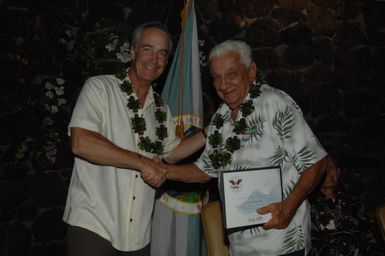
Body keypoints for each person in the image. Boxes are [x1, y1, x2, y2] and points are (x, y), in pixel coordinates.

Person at [150, 40, 330, 256]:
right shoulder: (221, 117)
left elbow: (317, 162)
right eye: (216, 77)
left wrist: (288, 208)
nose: (223, 84)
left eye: (231, 74)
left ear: (251, 71)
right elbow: (205, 171)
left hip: (281, 244)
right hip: (240, 248)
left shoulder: (274, 103)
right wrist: (164, 171)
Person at [63, 21, 179, 256]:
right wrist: (142, 162)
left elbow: (173, 152)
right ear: (133, 52)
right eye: (147, 49)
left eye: (162, 53)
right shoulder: (100, 88)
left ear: (166, 62)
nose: (154, 59)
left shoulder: (161, 109)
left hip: (138, 236)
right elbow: (81, 142)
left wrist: (210, 132)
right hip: (94, 226)